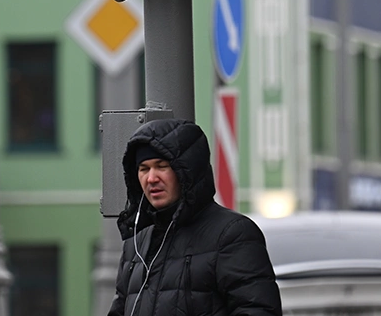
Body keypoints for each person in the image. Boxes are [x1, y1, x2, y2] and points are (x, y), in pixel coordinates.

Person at [108, 118, 282, 316]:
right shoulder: (136, 243)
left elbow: (258, 310)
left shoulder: (232, 234)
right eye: (144, 169)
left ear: (186, 170)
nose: (151, 178)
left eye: (162, 166)